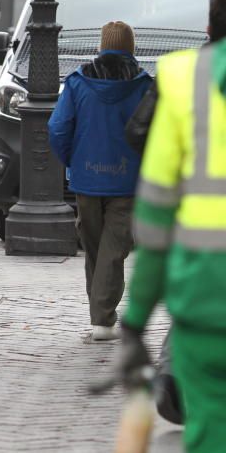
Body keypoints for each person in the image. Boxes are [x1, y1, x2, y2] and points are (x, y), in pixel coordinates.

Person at [116, 29, 226, 453]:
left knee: (209, 426)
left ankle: (174, 376)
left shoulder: (184, 79)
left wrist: (135, 321)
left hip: (205, 292)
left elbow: (155, 222)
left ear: (210, 32)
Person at [47, 22, 153, 341]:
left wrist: (73, 161)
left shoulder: (78, 82)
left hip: (87, 179)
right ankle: (102, 317)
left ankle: (101, 317)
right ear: (131, 48)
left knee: (97, 247)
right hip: (127, 181)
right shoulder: (144, 85)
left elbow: (58, 128)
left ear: (100, 46)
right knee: (113, 247)